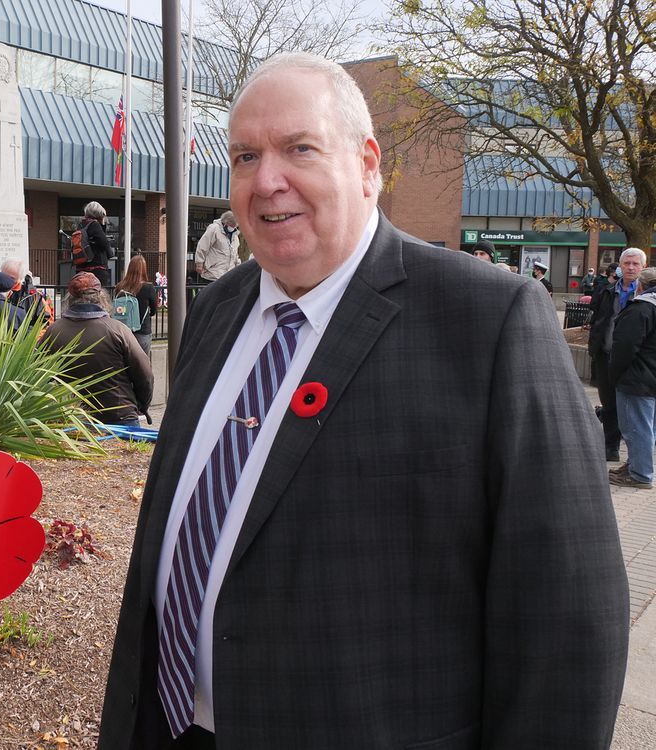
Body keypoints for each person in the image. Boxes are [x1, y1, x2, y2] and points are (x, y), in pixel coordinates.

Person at [99, 53, 628, 750]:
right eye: (245, 156)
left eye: (299, 148)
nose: (267, 181)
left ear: (368, 164)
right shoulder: (219, 309)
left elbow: (568, 617)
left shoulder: (488, 320)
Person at [40, 272, 152, 426]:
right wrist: (141, 405)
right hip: (120, 415)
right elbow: (144, 375)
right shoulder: (117, 330)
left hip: (72, 419)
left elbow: (37, 374)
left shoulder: (53, 331)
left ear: (70, 299)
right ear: (101, 297)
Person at [588, 248, 646, 461]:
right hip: (606, 354)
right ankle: (611, 447)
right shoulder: (607, 290)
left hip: (635, 359)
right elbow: (598, 320)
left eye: (635, 264)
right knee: (609, 402)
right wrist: (595, 347)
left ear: (643, 267)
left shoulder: (646, 295)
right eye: (627, 263)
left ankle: (635, 456)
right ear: (620, 266)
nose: (631, 267)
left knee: (633, 406)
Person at [608, 265, 656, 488]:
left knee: (635, 428)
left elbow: (625, 347)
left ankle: (640, 473)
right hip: (650, 377)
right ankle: (637, 465)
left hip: (637, 378)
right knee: (646, 428)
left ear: (641, 285)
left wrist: (615, 374)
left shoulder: (641, 309)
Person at [114, 254, 159, 356]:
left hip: (122, 332)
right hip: (142, 332)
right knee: (142, 366)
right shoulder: (148, 288)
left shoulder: (119, 287)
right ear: (144, 269)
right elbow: (153, 311)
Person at [2, 257, 54, 329]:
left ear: (20, 278)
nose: (6, 280)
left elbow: (46, 322)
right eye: (4, 276)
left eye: (12, 278)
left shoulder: (34, 296)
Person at [194, 211, 242, 284]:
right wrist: (199, 263)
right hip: (213, 273)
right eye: (231, 225)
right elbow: (203, 245)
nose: (233, 228)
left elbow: (235, 254)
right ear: (226, 222)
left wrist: (239, 267)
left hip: (228, 275)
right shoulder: (214, 229)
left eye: (234, 226)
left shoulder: (235, 235)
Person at [78, 201, 115, 287]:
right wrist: (102, 226)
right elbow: (103, 243)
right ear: (99, 214)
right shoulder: (94, 225)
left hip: (81, 268)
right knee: (99, 296)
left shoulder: (81, 225)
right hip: (97, 269)